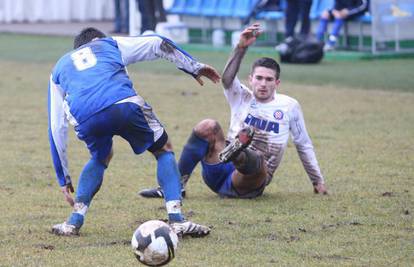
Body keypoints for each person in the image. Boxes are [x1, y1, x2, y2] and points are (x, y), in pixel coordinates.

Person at [48, 27, 220, 236]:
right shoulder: (107, 44)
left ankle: (73, 222)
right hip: (123, 103)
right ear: (95, 40)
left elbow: (56, 126)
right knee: (163, 149)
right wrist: (193, 66)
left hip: (85, 117)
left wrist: (63, 177)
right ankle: (177, 219)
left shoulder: (58, 68)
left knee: (101, 156)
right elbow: (157, 42)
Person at [139, 23, 327, 200]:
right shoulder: (242, 96)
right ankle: (174, 186)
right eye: (259, 78)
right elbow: (227, 79)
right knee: (207, 126)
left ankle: (238, 152)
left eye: (269, 80)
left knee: (258, 160)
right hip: (219, 168)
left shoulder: (289, 106)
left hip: (249, 182)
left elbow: (303, 144)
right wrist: (241, 47)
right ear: (251, 79)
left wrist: (317, 180)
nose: (263, 84)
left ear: (277, 83)